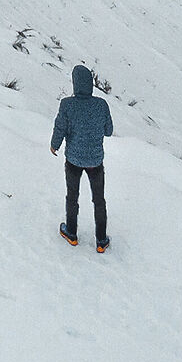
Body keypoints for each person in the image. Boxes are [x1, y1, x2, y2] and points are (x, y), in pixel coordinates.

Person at [52, 64, 112, 250]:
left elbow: (60, 127)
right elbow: (109, 131)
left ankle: (71, 233)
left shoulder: (67, 104)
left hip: (73, 160)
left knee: (72, 196)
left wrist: (54, 145)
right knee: (99, 200)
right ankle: (101, 240)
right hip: (95, 161)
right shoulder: (101, 104)